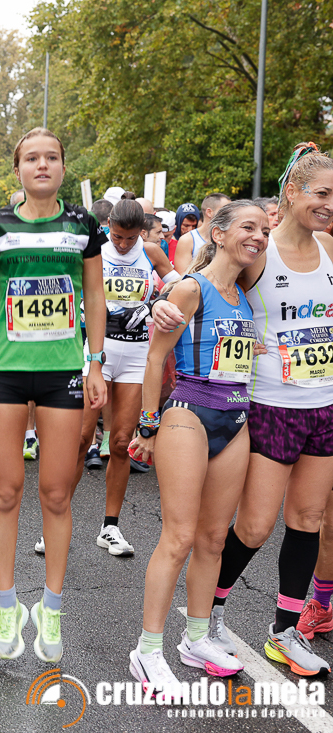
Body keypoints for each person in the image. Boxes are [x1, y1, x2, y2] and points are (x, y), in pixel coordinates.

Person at [153, 144, 333, 677]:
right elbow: (202, 280)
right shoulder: (259, 253)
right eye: (322, 193)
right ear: (292, 192)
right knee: (253, 527)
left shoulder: (329, 247)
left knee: (308, 520)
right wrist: (160, 302)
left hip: (323, 403)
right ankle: (211, 617)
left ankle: (284, 632)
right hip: (270, 405)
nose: (329, 205)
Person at [0, 128, 108, 663]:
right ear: (19, 169)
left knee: (55, 493)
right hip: (3, 370)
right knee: (6, 491)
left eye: (51, 157)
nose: (42, 165)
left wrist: (95, 361)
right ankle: (7, 605)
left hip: (62, 370)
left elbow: (94, 293)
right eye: (32, 158)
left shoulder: (83, 224)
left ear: (63, 167)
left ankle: (51, 606)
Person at [127, 200, 270, 693]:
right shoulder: (192, 288)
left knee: (213, 539)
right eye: (248, 227)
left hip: (236, 417)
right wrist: (147, 427)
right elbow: (155, 359)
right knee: (179, 537)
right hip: (189, 414)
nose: (259, 237)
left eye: (264, 230)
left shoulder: (248, 293)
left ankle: (195, 639)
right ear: (219, 233)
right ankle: (147, 651)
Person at [65, 200, 177, 557]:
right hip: (98, 349)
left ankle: (110, 527)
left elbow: (182, 286)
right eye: (117, 237)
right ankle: (56, 521)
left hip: (136, 352)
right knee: (81, 439)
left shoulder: (152, 251)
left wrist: (153, 303)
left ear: (141, 231)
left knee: (121, 442)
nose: (124, 244)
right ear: (108, 226)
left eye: (130, 238)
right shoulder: (95, 249)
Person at [173, 193, 230, 274]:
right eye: (225, 210)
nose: (230, 214)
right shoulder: (187, 240)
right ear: (209, 212)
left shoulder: (229, 238)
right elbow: (183, 277)